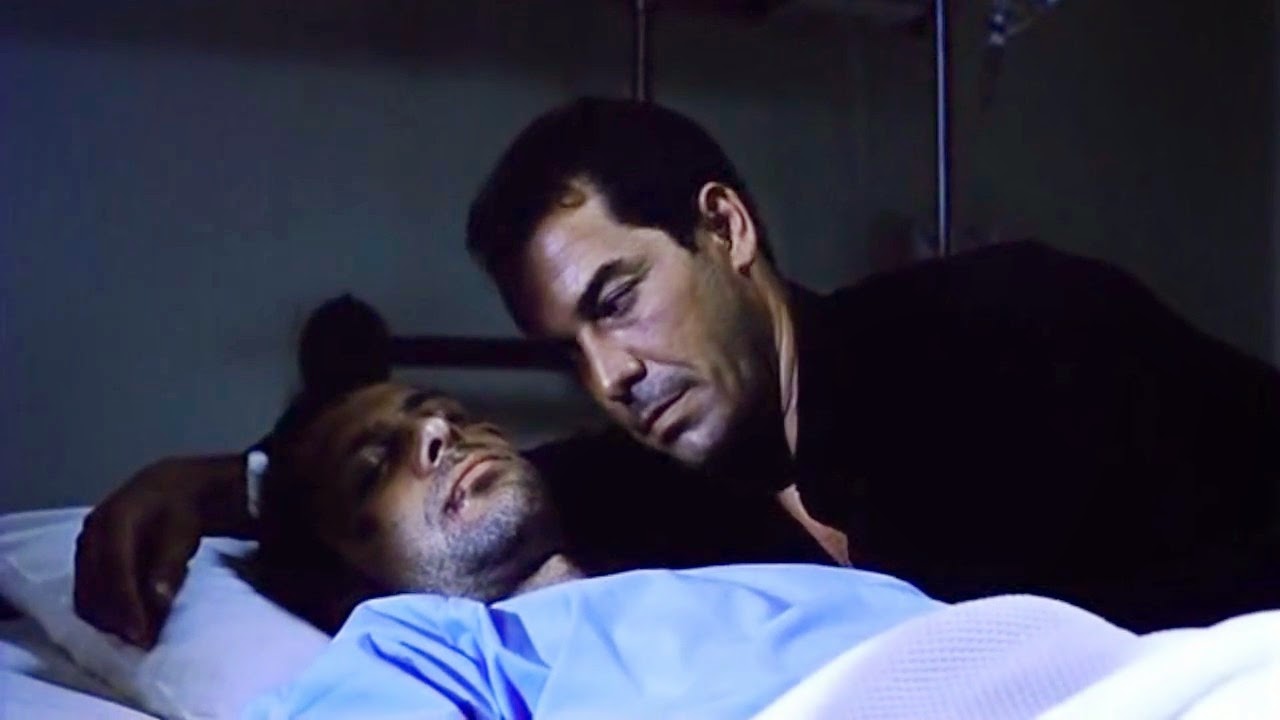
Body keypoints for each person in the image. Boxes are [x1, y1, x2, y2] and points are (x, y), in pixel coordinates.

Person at [75, 98, 1280, 645]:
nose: (609, 374)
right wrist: (209, 483)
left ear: (724, 229)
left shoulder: (1013, 332)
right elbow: (429, 495)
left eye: (616, 302)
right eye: (567, 350)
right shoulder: (657, 480)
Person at [243, 381, 945, 718]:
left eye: (452, 413)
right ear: (345, 582)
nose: (438, 431)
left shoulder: (754, 579)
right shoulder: (408, 654)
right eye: (373, 469)